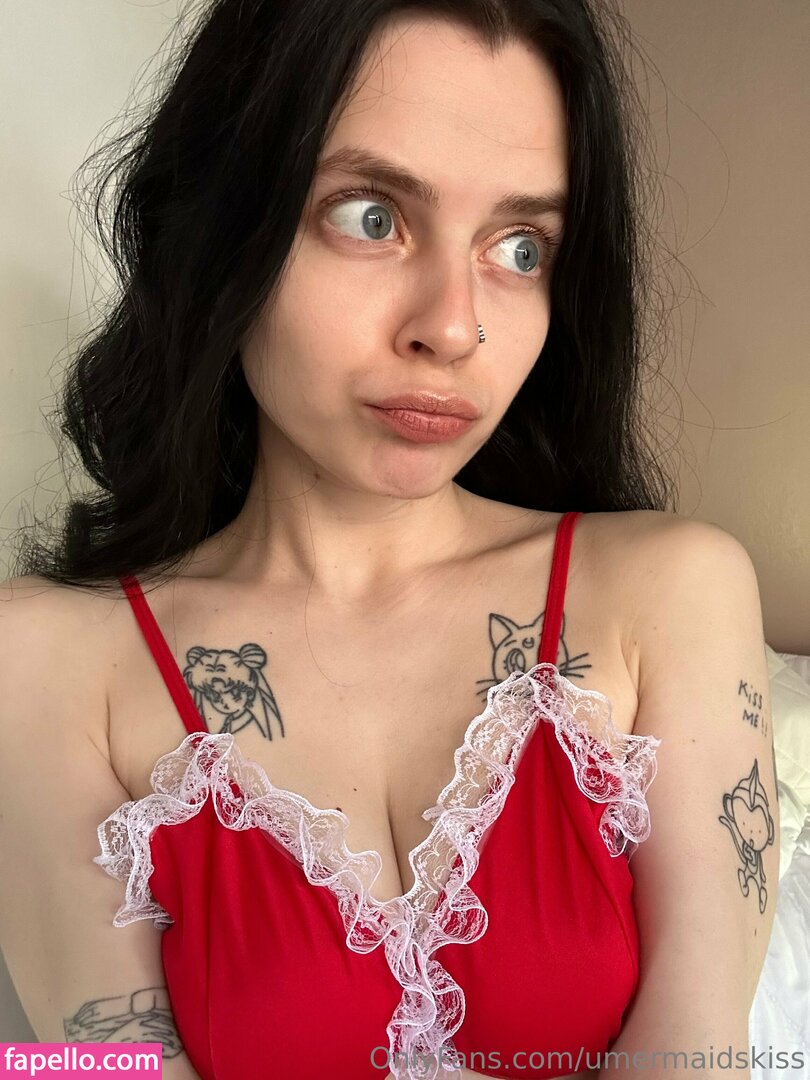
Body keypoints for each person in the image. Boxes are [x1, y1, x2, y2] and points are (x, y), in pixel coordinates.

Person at [0, 1, 778, 1078]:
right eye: (371, 216)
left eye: (520, 248)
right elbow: (90, 1067)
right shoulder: (36, 658)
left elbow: (703, 1053)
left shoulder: (676, 590)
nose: (453, 327)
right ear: (222, 227)